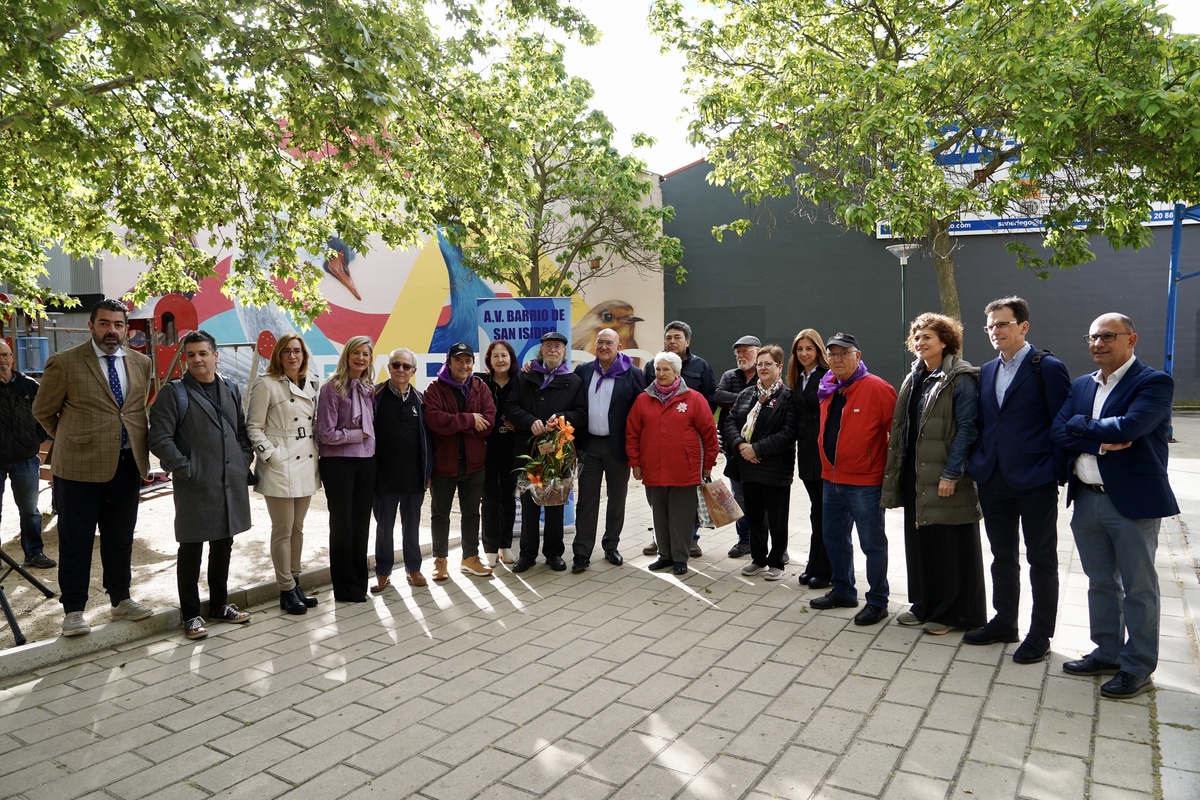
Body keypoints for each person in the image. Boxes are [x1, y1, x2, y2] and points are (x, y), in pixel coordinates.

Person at [1051, 313, 1178, 700]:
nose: (1098, 344)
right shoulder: (1081, 385)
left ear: (1131, 339)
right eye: (1092, 337)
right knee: (1101, 583)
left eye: (1108, 336)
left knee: (1139, 587)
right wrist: (1098, 440)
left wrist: (1081, 427)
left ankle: (1137, 668)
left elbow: (1129, 428)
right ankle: (1107, 652)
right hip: (1087, 498)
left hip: (1132, 504)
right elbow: (1058, 430)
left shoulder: (1153, 382)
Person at [33, 298, 155, 637]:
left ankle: (121, 600)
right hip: (77, 470)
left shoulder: (141, 363)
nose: (111, 331)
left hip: (127, 465)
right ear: (91, 326)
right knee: (76, 541)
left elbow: (132, 412)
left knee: (120, 539)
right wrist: (74, 438)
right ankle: (73, 610)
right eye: (104, 324)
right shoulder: (65, 363)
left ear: (126, 329)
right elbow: (43, 411)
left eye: (118, 325)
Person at [965, 297, 1071, 663]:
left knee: (1041, 559)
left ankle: (1040, 634)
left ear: (1023, 327)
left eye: (1003, 324)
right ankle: (1005, 621)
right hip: (993, 478)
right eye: (990, 326)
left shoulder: (1047, 367)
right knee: (1001, 554)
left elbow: (1062, 423)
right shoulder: (988, 370)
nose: (995, 331)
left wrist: (1056, 472)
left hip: (1035, 480)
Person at [881, 314, 986, 636]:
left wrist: (952, 474)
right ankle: (924, 604)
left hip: (945, 474)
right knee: (920, 541)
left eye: (927, 336)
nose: (920, 342)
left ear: (945, 340)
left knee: (949, 544)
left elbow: (967, 429)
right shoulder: (915, 377)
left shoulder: (960, 377)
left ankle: (956, 614)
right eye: (916, 337)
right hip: (917, 472)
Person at [148, 331, 253, 639]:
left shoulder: (230, 387)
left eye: (203, 353)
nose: (197, 359)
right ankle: (191, 614)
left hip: (228, 483)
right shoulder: (175, 393)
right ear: (185, 359)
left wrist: (242, 460)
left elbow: (242, 431)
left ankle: (220, 604)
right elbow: (159, 438)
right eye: (191, 354)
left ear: (215, 355)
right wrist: (187, 469)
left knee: (224, 545)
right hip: (195, 485)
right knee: (191, 549)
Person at [809, 332, 897, 627]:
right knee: (834, 538)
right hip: (831, 479)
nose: (837, 360)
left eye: (844, 354)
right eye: (832, 355)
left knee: (871, 544)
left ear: (858, 356)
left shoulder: (877, 388)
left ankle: (878, 601)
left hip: (865, 482)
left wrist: (889, 474)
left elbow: (896, 436)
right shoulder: (829, 387)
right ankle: (845, 591)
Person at [246, 333, 321, 615]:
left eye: (297, 351)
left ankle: (296, 580)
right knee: (283, 529)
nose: (292, 356)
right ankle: (285, 589)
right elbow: (253, 426)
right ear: (278, 355)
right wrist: (272, 455)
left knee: (298, 528)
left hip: (305, 463)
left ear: (304, 355)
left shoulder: (313, 382)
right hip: (280, 464)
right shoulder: (266, 384)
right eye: (287, 351)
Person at [626, 351, 719, 575]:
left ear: (677, 372)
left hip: (684, 468)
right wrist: (635, 463)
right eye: (658, 369)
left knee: (682, 515)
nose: (661, 373)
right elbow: (632, 433)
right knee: (659, 513)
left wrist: (708, 464)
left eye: (666, 369)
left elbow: (709, 434)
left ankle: (680, 557)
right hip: (653, 468)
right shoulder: (643, 399)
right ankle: (664, 555)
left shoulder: (694, 398)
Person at [506, 331, 586, 573]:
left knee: (555, 503)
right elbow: (510, 406)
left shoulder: (574, 382)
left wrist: (560, 419)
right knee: (529, 503)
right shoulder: (525, 376)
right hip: (528, 451)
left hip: (558, 454)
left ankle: (554, 553)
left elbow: (581, 413)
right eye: (548, 346)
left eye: (558, 346)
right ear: (541, 350)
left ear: (564, 352)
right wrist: (531, 421)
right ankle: (527, 555)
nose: (552, 350)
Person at [571, 327, 647, 571]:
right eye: (600, 342)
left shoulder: (633, 374)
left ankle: (611, 545)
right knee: (586, 500)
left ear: (619, 347)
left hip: (619, 447)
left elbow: (641, 413)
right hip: (589, 445)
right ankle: (582, 552)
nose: (603, 347)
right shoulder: (583, 371)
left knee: (617, 499)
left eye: (609, 343)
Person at [722, 344, 798, 581]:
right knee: (754, 516)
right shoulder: (747, 394)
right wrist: (741, 446)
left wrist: (756, 448)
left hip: (775, 469)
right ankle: (758, 558)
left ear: (779, 366)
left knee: (776, 518)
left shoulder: (787, 397)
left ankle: (776, 561)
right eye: (760, 364)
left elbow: (788, 434)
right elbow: (730, 422)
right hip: (748, 467)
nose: (763, 368)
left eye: (768, 364)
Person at [642, 320, 717, 558]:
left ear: (688, 341)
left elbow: (710, 400)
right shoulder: (651, 365)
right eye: (668, 337)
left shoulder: (701, 366)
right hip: (658, 446)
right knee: (659, 498)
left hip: (689, 444)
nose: (672, 341)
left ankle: (690, 539)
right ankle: (660, 540)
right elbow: (646, 397)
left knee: (687, 498)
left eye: (677, 337)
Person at [424, 342, 496, 580]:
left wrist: (456, 424)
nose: (464, 365)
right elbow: (435, 421)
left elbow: (488, 422)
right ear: (449, 362)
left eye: (468, 361)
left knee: (471, 513)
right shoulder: (434, 389)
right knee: (440, 514)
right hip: (444, 463)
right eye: (458, 360)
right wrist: (468, 421)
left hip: (474, 463)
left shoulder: (480, 387)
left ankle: (469, 558)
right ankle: (440, 560)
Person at [316, 335, 376, 603]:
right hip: (338, 462)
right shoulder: (332, 388)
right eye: (356, 353)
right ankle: (343, 587)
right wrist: (356, 435)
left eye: (366, 354)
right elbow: (325, 433)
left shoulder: (368, 388)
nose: (361, 358)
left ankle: (359, 583)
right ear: (347, 355)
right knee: (342, 524)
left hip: (366, 461)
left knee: (361, 524)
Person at [372, 347, 433, 590]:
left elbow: (428, 439)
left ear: (413, 371)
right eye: (396, 365)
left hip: (413, 476)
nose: (400, 369)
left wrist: (428, 473)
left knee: (412, 526)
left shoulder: (421, 399)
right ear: (389, 367)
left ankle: (413, 568)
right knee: (384, 527)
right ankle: (383, 571)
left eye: (406, 366)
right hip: (383, 477)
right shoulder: (375, 396)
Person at [0, 339, 53, 569]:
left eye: (5, 355)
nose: (2, 360)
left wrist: (36, 439)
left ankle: (33, 553)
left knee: (30, 510)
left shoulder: (29, 385)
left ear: (12, 357)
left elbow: (45, 414)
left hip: (26, 460)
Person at [787, 328, 832, 590]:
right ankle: (814, 564)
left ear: (818, 350)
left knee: (825, 511)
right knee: (817, 510)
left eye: (809, 349)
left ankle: (826, 570)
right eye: (800, 349)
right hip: (805, 450)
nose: (804, 353)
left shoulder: (826, 375)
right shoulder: (797, 377)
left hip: (822, 447)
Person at [713, 334, 761, 558]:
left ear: (758, 353)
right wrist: (750, 398)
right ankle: (744, 541)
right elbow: (718, 396)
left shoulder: (765, 373)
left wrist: (738, 401)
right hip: (733, 448)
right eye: (738, 352)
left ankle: (763, 543)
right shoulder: (730, 375)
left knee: (762, 498)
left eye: (746, 351)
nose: (741, 356)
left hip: (760, 450)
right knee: (738, 497)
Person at [482, 340, 518, 566]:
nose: (500, 360)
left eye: (504, 355)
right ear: (489, 361)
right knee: (489, 498)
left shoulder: (520, 382)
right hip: (487, 447)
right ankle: (489, 548)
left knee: (508, 496)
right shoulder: (481, 382)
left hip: (512, 448)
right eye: (495, 356)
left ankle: (505, 545)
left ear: (511, 358)